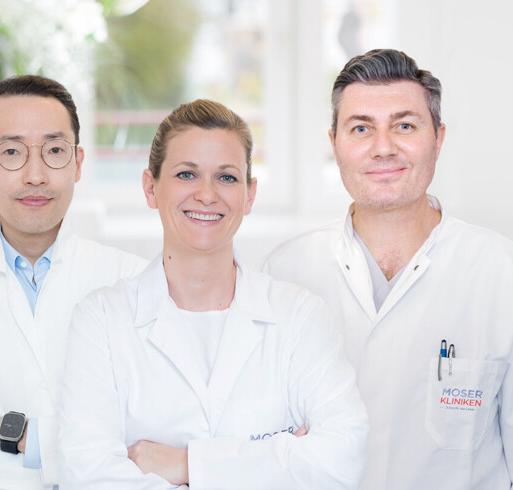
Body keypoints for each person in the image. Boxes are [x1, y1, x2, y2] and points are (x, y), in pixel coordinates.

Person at [262, 48, 513, 489]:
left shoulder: (508, 277)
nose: (383, 147)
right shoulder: (283, 272)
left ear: (438, 139)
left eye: (404, 126)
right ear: (334, 144)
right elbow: (253, 442)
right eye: (361, 128)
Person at [58, 99, 369, 489]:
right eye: (187, 174)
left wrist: (188, 465)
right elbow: (87, 476)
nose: (207, 194)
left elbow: (343, 458)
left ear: (249, 194)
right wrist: (277, 459)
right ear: (150, 188)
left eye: (226, 177)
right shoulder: (102, 320)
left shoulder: (299, 315)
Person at [0, 75, 147, 489]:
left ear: (78, 163)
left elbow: (148, 440)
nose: (35, 175)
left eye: (54, 151)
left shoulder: (134, 281)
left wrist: (16, 435)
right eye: (11, 152)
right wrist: (85, 459)